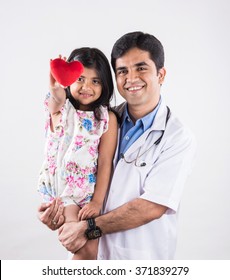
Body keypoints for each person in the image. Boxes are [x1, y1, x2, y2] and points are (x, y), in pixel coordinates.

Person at [38, 31, 196, 260]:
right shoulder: (102, 119)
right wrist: (59, 214)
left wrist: (87, 227)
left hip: (139, 258)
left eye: (141, 68)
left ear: (161, 74)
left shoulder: (178, 138)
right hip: (94, 251)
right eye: (122, 71)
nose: (131, 78)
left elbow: (152, 206)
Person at [37, 47, 118, 260]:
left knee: (92, 248)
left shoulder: (106, 118)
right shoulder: (62, 108)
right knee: (84, 247)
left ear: (105, 84)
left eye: (95, 81)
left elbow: (105, 162)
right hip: (64, 191)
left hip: (88, 193)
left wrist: (97, 202)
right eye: (80, 78)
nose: (86, 87)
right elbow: (56, 99)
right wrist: (56, 87)